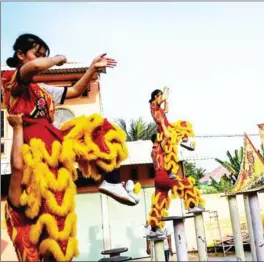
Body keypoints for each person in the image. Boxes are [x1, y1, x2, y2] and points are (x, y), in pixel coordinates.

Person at [1, 33, 141, 261]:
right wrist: (58, 58)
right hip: (35, 153)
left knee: (98, 128)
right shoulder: (13, 82)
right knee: (53, 216)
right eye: (37, 55)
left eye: (44, 57)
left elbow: (74, 91)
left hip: (54, 141)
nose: (41, 62)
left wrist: (91, 69)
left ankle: (110, 181)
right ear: (19, 55)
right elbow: (33, 68)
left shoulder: (43, 90)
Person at [147, 133, 205, 236]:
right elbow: (168, 136)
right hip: (163, 175)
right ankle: (192, 205)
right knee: (184, 182)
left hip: (158, 179)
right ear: (157, 139)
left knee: (159, 203)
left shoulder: (153, 151)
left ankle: (153, 229)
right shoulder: (158, 148)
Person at [149, 88, 195, 177]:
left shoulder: (158, 107)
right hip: (163, 128)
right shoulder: (153, 104)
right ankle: (170, 171)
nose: (162, 97)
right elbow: (163, 98)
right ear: (156, 96)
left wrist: (166, 102)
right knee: (169, 151)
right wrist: (166, 90)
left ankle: (185, 142)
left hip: (167, 125)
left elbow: (166, 111)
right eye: (160, 95)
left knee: (183, 124)